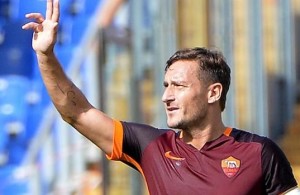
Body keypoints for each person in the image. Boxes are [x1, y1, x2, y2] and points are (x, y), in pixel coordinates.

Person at [22, 0, 299, 194]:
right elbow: (77, 113)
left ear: (213, 92)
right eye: (165, 85)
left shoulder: (260, 152)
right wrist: (45, 56)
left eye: (178, 86)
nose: (166, 96)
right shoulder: (151, 146)